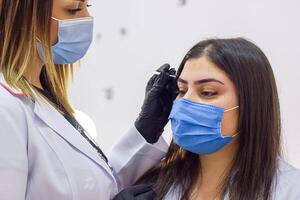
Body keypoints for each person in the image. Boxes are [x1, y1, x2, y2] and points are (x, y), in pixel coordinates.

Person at [0, 0, 177, 199]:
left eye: (87, 6)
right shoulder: (6, 108)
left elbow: (99, 186)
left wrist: (146, 130)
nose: (87, 18)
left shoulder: (45, 99)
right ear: (23, 19)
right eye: (73, 9)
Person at [116, 38, 300, 200]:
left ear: (251, 102)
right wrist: (146, 129)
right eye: (181, 90)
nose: (185, 101)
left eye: (207, 92)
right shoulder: (149, 189)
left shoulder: (291, 191)